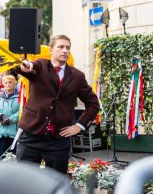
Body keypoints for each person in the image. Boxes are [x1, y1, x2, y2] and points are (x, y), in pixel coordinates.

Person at [15, 34, 99, 174]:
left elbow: (93, 104)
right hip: (31, 136)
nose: (65, 50)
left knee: (56, 183)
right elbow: (29, 66)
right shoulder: (40, 65)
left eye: (68, 48)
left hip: (58, 140)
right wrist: (26, 65)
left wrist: (79, 126)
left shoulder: (77, 76)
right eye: (61, 47)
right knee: (24, 181)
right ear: (51, 50)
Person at [0, 75, 20, 157]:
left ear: (15, 83)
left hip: (14, 131)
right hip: (2, 131)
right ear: (3, 84)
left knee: (13, 157)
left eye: (10, 82)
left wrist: (10, 119)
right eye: (6, 82)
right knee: (1, 156)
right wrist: (2, 116)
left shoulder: (19, 96)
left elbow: (22, 110)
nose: (8, 84)